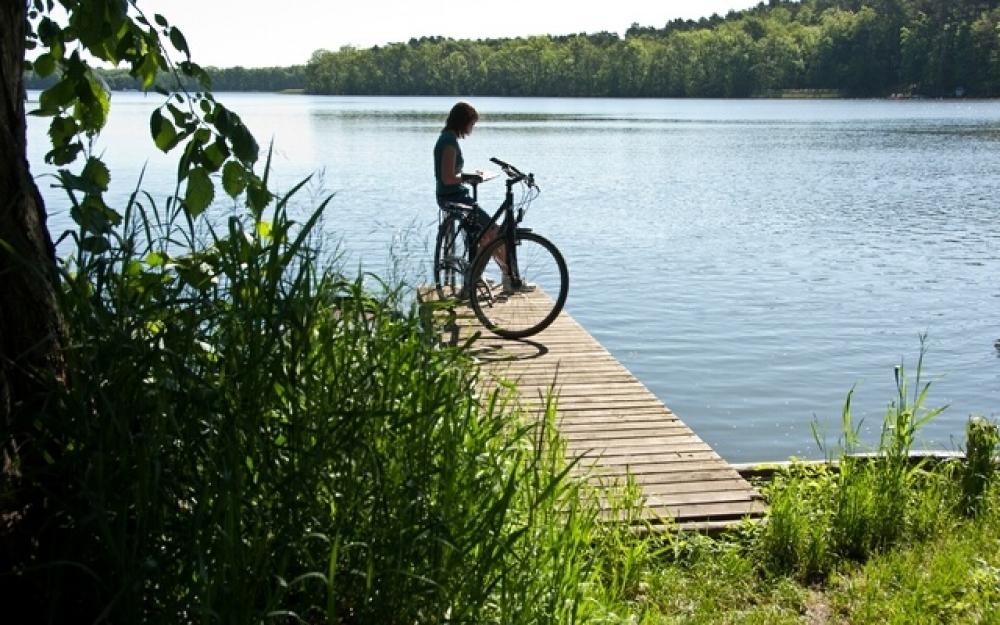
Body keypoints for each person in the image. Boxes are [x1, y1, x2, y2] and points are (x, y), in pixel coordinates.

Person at [434, 101, 512, 289]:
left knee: (485, 234)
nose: (472, 128)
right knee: (492, 231)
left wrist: (469, 177)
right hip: (454, 198)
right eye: (472, 124)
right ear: (463, 122)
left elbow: (451, 175)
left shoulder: (447, 139)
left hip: (454, 196)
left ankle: (479, 275)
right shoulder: (449, 143)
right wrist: (470, 178)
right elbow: (447, 178)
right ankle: (508, 277)